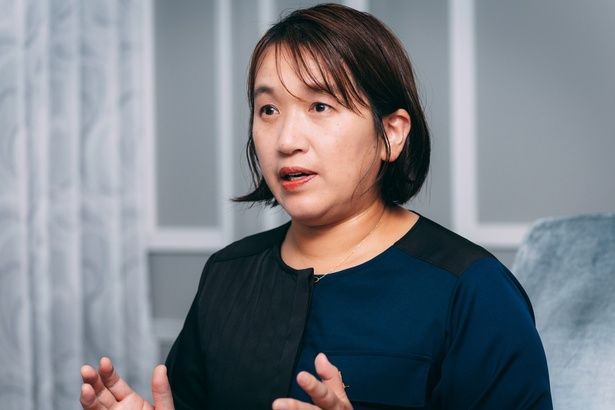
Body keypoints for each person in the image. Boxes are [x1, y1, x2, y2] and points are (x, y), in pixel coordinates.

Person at [80, 4, 552, 409]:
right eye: (268, 110)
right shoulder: (227, 274)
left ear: (391, 134)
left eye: (320, 106)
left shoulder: (472, 290)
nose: (287, 140)